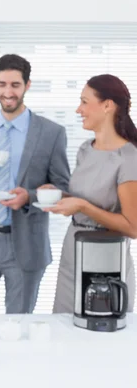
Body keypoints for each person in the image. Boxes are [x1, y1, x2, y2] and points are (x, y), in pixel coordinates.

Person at [0, 54, 70, 314]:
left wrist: (28, 196)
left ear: (27, 85)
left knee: (19, 326)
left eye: (15, 85)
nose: (8, 92)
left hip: (26, 244)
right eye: (2, 84)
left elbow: (63, 187)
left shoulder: (51, 133)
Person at [40, 74, 137, 312]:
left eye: (84, 101)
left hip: (106, 257)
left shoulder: (129, 158)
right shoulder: (85, 150)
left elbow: (132, 227)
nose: (78, 109)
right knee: (63, 328)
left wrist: (83, 207)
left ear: (107, 105)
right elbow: (84, 197)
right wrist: (59, 196)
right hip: (73, 250)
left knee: (99, 334)